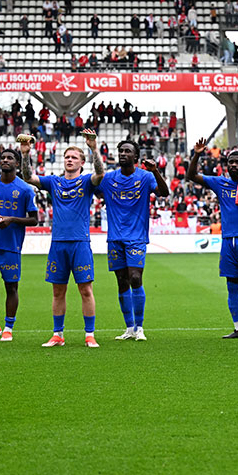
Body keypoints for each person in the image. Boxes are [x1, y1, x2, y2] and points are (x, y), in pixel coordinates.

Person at [19, 130, 104, 348]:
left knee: (86, 289)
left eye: (74, 157)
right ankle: (58, 335)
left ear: (82, 163)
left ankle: (89, 334)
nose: (69, 160)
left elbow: (100, 174)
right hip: (58, 243)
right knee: (58, 291)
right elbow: (28, 177)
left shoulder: (86, 182)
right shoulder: (54, 182)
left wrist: (94, 148)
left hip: (80, 243)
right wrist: (25, 153)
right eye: (67, 157)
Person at [92, 140, 169, 341]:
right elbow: (92, 187)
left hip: (136, 237)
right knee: (121, 281)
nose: (123, 154)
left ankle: (140, 327)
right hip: (115, 237)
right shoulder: (108, 179)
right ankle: (129, 328)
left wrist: (156, 172)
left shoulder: (145, 177)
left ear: (136, 157)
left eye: (127, 151)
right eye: (121, 151)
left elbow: (164, 192)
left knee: (135, 277)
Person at [187, 139, 238, 339]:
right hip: (228, 241)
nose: (234, 165)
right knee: (231, 285)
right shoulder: (220, 183)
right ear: (226, 166)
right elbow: (191, 175)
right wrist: (197, 154)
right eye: (231, 162)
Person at [0, 149, 38, 342]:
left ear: (17, 164)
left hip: (11, 246)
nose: (5, 160)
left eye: (10, 158)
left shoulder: (25, 189)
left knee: (11, 287)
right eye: (2, 158)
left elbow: (34, 219)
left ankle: (9, 327)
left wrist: (11, 219)